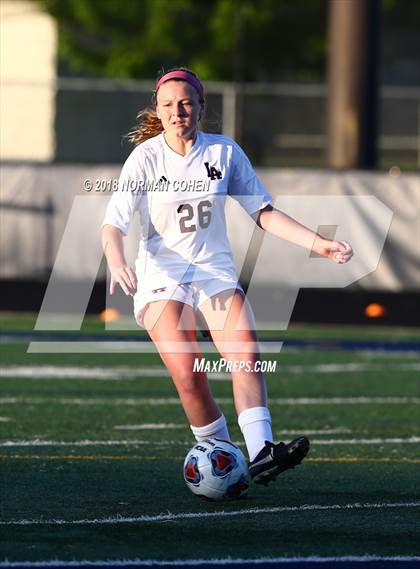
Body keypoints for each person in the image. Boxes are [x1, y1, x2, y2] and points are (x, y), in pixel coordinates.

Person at [102, 67, 353, 486]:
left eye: (185, 103)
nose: (177, 111)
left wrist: (320, 244)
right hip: (162, 278)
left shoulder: (224, 152)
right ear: (157, 110)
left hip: (214, 273)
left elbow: (264, 213)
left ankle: (260, 453)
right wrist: (115, 259)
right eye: (168, 105)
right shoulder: (144, 158)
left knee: (246, 355)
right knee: (189, 375)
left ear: (201, 106)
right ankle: (221, 458)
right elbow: (113, 224)